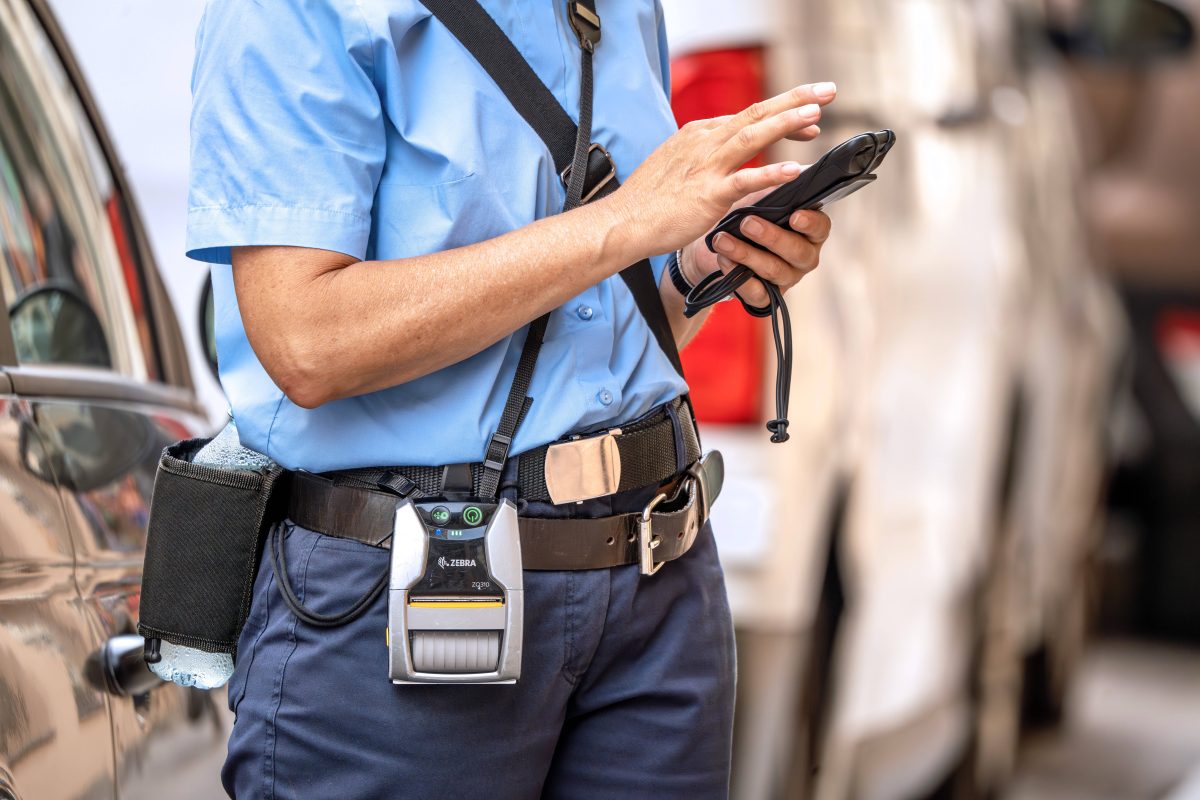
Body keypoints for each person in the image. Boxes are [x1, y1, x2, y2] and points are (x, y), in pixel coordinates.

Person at [186, 0, 835, 797]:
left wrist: (694, 271)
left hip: (658, 580)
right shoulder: (292, 12)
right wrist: (629, 222)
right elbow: (307, 343)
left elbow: (592, 332)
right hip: (412, 587)